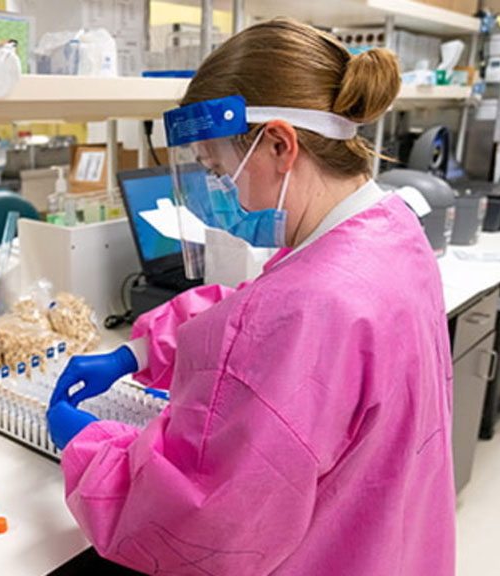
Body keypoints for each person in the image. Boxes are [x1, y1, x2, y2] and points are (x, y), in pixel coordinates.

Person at [46, 18, 456, 576]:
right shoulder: (387, 233)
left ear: (281, 144)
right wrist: (138, 353)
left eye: (218, 169)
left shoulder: (312, 304)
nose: (217, 192)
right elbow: (250, 311)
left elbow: (196, 524)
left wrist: (91, 449)